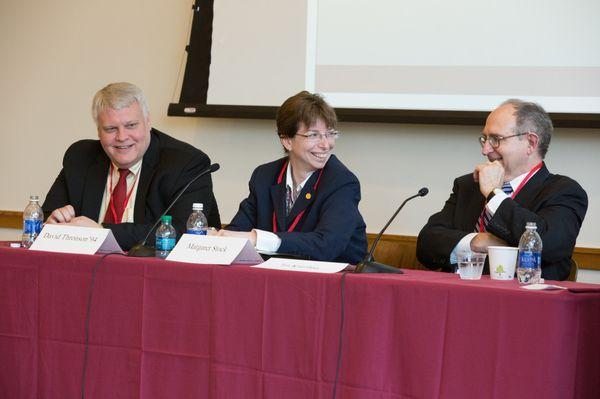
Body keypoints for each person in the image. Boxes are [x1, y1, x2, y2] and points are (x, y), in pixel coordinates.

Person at [416, 99, 587, 281]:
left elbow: (547, 245)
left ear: (530, 142)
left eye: (496, 139)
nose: (485, 150)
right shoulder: (468, 185)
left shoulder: (564, 191)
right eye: (484, 139)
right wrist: (476, 241)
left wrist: (493, 194)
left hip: (522, 302)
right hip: (457, 297)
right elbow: (427, 243)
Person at [42, 82, 220, 250]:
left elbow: (186, 233)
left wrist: (101, 232)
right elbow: (46, 216)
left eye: (131, 125)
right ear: (98, 130)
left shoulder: (185, 163)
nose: (122, 137)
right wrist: (54, 222)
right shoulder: (81, 158)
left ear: (148, 121)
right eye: (111, 129)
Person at [215, 91, 367, 264]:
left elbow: (326, 245)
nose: (326, 144)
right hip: (278, 279)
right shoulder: (264, 177)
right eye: (313, 135)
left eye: (330, 133)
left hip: (336, 284)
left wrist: (257, 239)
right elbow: (237, 231)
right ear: (287, 140)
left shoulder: (342, 182)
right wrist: (219, 237)